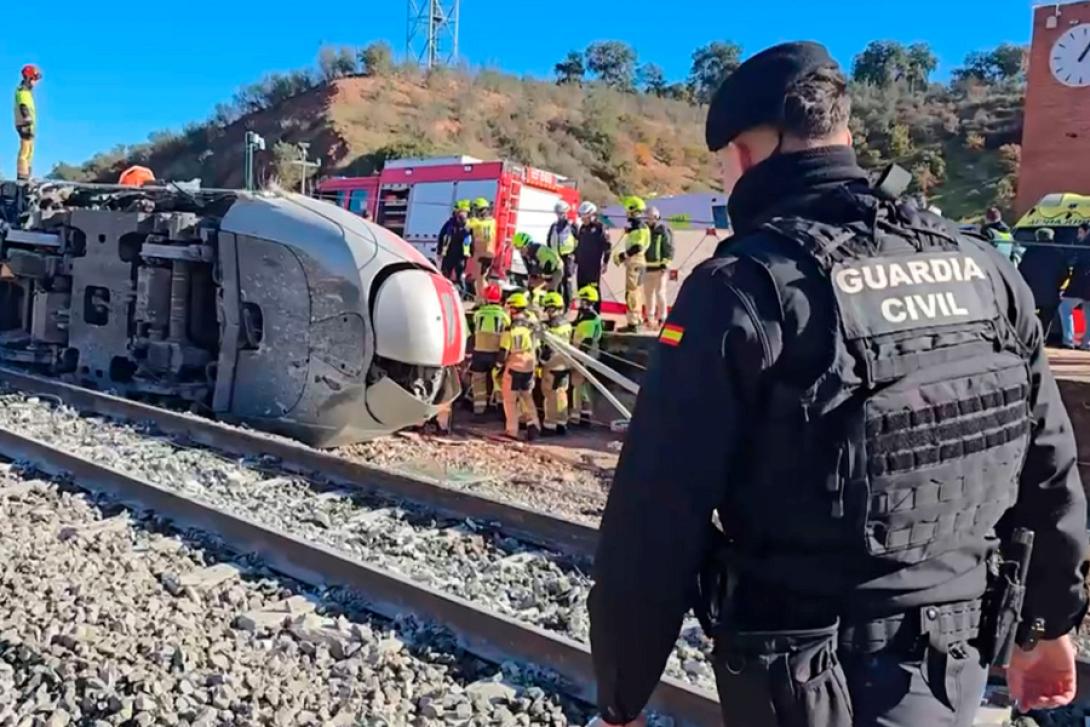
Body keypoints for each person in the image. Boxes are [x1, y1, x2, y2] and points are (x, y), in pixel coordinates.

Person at [589, 41, 1088, 727]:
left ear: (745, 155)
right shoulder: (985, 270)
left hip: (805, 676)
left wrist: (620, 694)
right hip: (958, 661)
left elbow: (654, 517)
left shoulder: (741, 288)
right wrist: (1048, 624)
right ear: (843, 137)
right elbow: (1049, 464)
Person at [497, 291, 540, 441]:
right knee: (527, 397)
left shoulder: (510, 330)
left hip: (514, 367)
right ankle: (534, 424)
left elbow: (503, 352)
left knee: (510, 400)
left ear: (514, 309)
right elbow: (537, 348)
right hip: (529, 366)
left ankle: (512, 431)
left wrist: (498, 366)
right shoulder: (531, 328)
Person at [1019, 226, 1070, 342]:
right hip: (1051, 293)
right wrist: (1057, 284)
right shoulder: (1059, 252)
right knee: (1046, 320)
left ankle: (1028, 339)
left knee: (1029, 317)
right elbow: (1065, 273)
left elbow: (1021, 270)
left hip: (1031, 293)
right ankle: (1041, 340)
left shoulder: (1030, 251)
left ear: (1037, 237)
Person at [469, 282, 510, 415]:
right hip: (495, 353)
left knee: (478, 380)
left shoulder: (478, 314)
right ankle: (501, 409)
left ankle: (479, 409)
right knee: (498, 381)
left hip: (479, 353)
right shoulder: (504, 316)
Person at [613, 196, 650, 332]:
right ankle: (637, 320)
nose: (626, 214)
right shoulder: (639, 227)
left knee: (632, 293)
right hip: (639, 262)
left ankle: (633, 323)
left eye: (628, 211)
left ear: (632, 210)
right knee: (637, 292)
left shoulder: (639, 227)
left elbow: (638, 246)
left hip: (635, 262)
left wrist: (623, 255)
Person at [538, 291, 573, 436]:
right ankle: (561, 423)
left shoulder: (550, 327)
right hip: (565, 363)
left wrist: (541, 361)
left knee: (550, 395)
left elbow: (548, 349)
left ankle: (549, 425)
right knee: (561, 394)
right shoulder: (567, 324)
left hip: (552, 365)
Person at [569, 284, 604, 428]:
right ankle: (585, 414)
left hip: (583, 356)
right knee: (583, 387)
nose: (579, 303)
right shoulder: (589, 317)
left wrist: (578, 358)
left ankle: (577, 417)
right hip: (588, 355)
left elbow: (586, 342)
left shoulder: (589, 320)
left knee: (577, 386)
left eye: (582, 301)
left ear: (587, 302)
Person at [575, 202, 611, 312]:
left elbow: (607, 246)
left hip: (593, 266)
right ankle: (583, 312)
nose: (582, 220)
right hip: (582, 265)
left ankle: (596, 313)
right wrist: (576, 259)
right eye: (581, 217)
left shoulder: (600, 228)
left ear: (591, 215)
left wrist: (605, 262)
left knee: (593, 289)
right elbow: (579, 245)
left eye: (584, 217)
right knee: (582, 289)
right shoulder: (582, 228)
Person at [1059, 224, 1090, 349]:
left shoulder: (1083, 246)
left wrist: (1068, 289)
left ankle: (1068, 340)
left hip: (1081, 285)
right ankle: (1086, 343)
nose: (1078, 235)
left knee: (1064, 308)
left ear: (1087, 231)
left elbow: (1077, 265)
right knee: (1088, 313)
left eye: (1080, 232)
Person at [642, 206, 674, 329]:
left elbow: (669, 248)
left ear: (656, 217)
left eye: (651, 217)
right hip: (647, 267)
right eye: (647, 217)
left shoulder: (663, 230)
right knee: (648, 294)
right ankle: (649, 318)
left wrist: (666, 263)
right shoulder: (644, 229)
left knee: (660, 293)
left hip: (660, 268)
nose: (649, 220)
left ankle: (663, 317)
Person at [546, 201, 579, 308]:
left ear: (566, 212)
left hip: (568, 257)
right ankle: (558, 305)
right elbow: (549, 240)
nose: (560, 215)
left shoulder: (572, 226)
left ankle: (567, 305)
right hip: (556, 258)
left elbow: (579, 240)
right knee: (558, 281)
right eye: (558, 213)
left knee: (567, 281)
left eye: (562, 213)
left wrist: (574, 254)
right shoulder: (554, 226)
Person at [438, 200, 472, 295]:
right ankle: (444, 292)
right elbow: (442, 236)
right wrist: (439, 251)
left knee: (459, 277)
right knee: (445, 275)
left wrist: (471, 252)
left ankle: (461, 295)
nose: (462, 216)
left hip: (461, 256)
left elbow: (471, 240)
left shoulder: (469, 226)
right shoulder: (450, 223)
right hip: (449, 254)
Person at [14, 64, 41, 181]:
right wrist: (27, 117)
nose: (36, 83)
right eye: (35, 79)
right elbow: (23, 105)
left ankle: (27, 174)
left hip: (30, 126)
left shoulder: (28, 92)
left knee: (30, 150)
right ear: (28, 78)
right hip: (24, 124)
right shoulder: (22, 91)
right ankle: (22, 175)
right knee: (25, 150)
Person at [468, 198, 497, 299]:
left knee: (479, 279)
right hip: (489, 253)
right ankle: (485, 297)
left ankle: (482, 299)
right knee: (482, 278)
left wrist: (470, 216)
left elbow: (467, 224)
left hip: (480, 254)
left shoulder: (477, 223)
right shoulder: (492, 222)